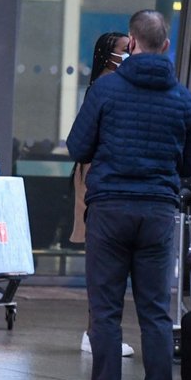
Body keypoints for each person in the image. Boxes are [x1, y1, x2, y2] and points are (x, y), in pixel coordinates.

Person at [67, 10, 191, 380]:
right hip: (158, 214)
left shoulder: (105, 91)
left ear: (132, 43)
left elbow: (77, 148)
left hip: (109, 211)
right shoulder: (183, 99)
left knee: (106, 314)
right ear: (166, 46)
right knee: (155, 314)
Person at [70, 32, 135, 359]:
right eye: (125, 50)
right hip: (98, 180)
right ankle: (94, 333)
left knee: (106, 265)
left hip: (99, 179)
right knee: (104, 266)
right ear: (109, 55)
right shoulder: (105, 89)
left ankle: (96, 332)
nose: (130, 54)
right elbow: (82, 142)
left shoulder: (111, 87)